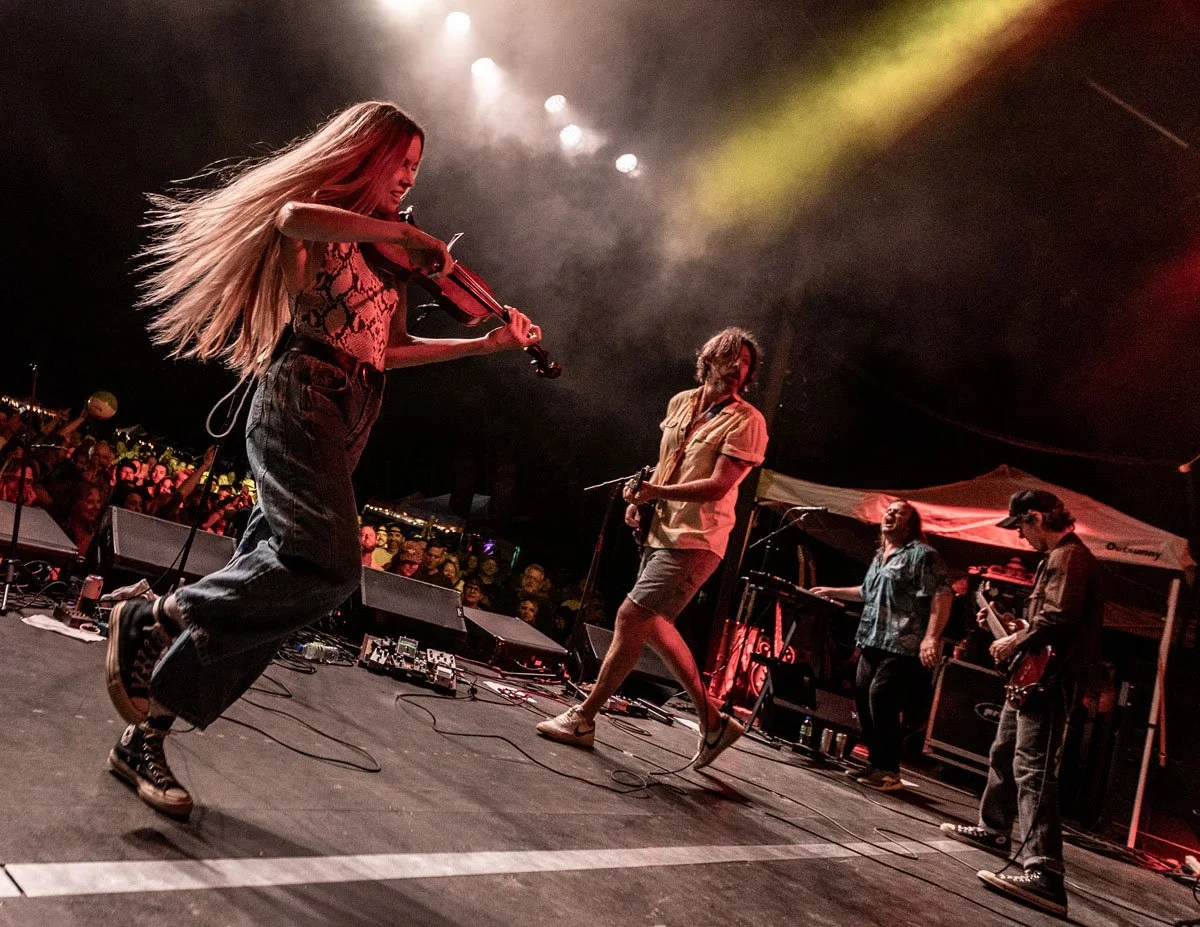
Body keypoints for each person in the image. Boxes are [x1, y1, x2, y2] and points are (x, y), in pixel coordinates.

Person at [105, 101, 542, 818]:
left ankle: (144, 736)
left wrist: (482, 344)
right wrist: (400, 230)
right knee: (331, 564)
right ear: (364, 156)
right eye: (400, 163)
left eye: (416, 170)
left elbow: (388, 350)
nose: (408, 177)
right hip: (299, 395)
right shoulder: (320, 224)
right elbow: (291, 219)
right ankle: (157, 615)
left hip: (353, 410)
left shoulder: (389, 258)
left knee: (271, 595)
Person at [537, 327, 767, 769]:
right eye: (730, 357)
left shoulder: (746, 421)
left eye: (746, 363)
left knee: (630, 616)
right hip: (662, 532)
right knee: (654, 626)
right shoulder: (681, 402)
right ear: (709, 358)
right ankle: (714, 723)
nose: (738, 367)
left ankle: (585, 717)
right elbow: (668, 462)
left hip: (698, 540)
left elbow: (719, 485)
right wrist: (641, 501)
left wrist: (656, 492)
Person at [940, 490, 1101, 918]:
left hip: (1051, 683)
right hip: (1034, 677)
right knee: (1004, 752)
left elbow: (1062, 620)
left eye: (1021, 528)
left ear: (1036, 518)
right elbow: (1045, 623)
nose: (1021, 539)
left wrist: (1015, 638)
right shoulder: (1059, 559)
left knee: (1033, 771)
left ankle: (1045, 873)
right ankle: (993, 830)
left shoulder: (1070, 557)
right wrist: (1009, 626)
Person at [811, 500, 953, 792]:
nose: (890, 514)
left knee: (882, 698)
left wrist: (931, 637)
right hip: (872, 639)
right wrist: (831, 591)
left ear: (911, 524)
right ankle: (877, 765)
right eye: (889, 511)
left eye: (899, 512)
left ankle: (890, 770)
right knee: (863, 698)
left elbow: (942, 595)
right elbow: (867, 592)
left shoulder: (922, 555)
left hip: (903, 643)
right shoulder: (880, 555)